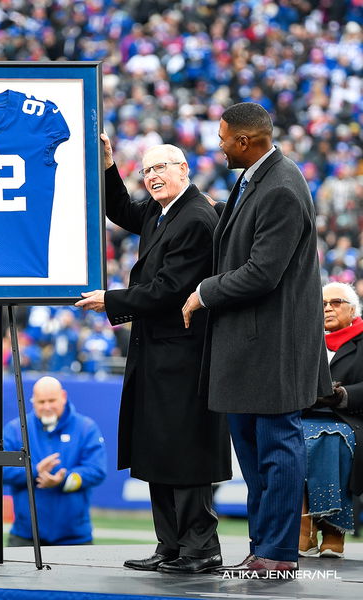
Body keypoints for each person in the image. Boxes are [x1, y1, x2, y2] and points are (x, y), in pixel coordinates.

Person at [182, 102, 332, 577]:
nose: (219, 145)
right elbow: (250, 227)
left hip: (273, 346)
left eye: (224, 137)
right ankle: (262, 546)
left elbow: (263, 273)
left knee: (277, 451)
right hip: (249, 346)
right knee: (254, 454)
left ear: (246, 141)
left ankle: (280, 552)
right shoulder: (258, 180)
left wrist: (203, 293)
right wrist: (219, 208)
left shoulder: (283, 187)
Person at [76, 134, 231, 574]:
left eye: (161, 167)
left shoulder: (197, 217)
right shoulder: (164, 212)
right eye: (147, 171)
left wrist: (113, 299)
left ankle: (201, 549)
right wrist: (108, 165)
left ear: (185, 169)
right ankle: (171, 546)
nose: (153, 176)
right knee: (160, 450)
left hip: (185, 357)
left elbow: (169, 290)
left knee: (186, 452)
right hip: (159, 355)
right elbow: (122, 210)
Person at [299, 282, 363, 558]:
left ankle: (332, 530)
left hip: (348, 417)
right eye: (323, 303)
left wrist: (342, 395)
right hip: (303, 413)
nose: (327, 308)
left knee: (331, 439)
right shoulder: (306, 339)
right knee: (286, 440)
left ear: (353, 309)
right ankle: (303, 529)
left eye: (335, 303)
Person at [3, 376, 106, 546]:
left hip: (74, 538)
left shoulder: (86, 427)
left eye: (52, 400)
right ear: (32, 401)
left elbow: (97, 470)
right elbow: (1, 470)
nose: (47, 407)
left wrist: (63, 480)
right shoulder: (15, 429)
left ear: (63, 396)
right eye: (41, 402)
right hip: (25, 536)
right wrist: (35, 471)